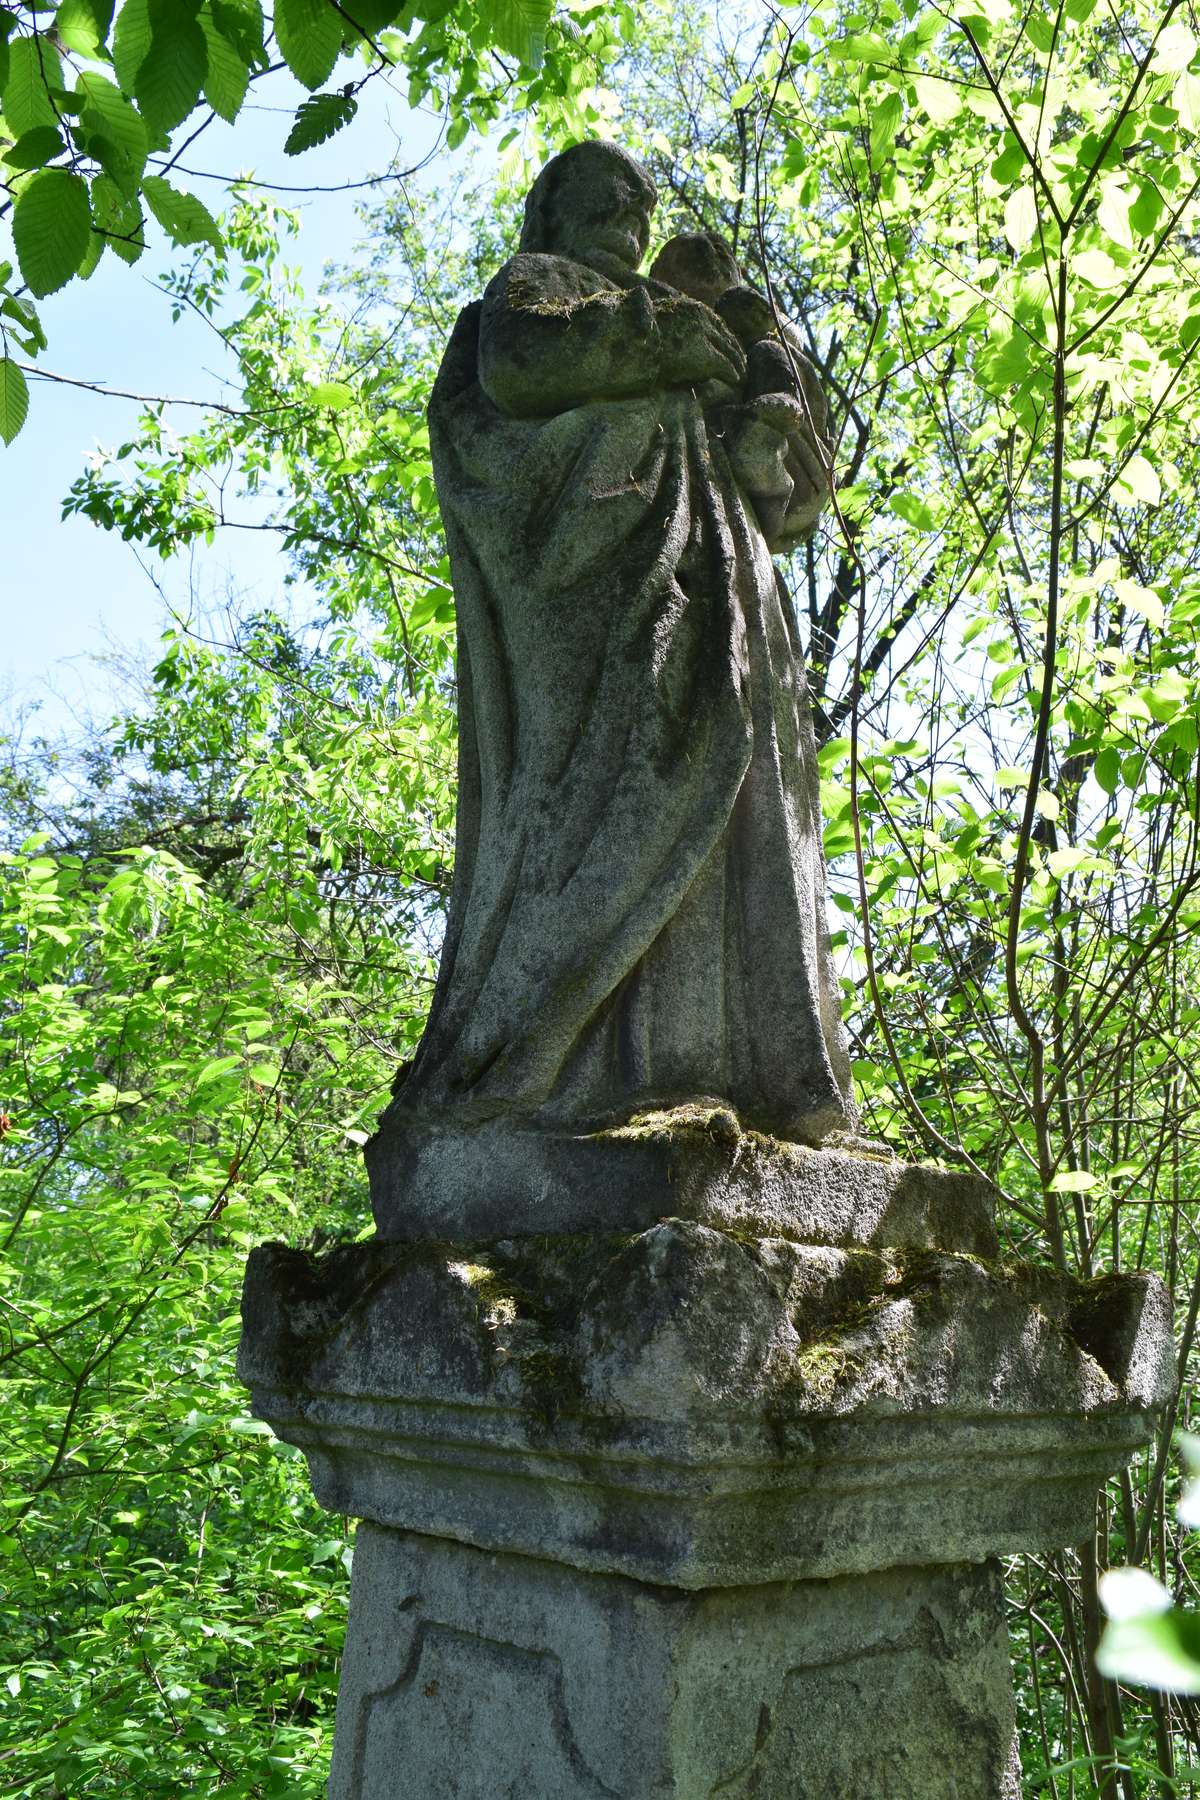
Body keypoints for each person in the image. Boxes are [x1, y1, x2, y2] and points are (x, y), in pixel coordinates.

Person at [380, 140, 855, 1147]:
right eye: (602, 206)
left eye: (638, 213)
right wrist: (656, 341)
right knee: (628, 796)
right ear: (550, 218)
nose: (627, 228)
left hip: (728, 600)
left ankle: (749, 1072)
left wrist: (758, 401)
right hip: (617, 614)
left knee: (747, 815)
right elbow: (519, 367)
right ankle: (601, 1075)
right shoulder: (535, 287)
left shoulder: (689, 321)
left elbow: (792, 486)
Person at [648, 229, 832, 546]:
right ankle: (756, 446)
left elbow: (788, 343)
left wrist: (750, 317)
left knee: (768, 352)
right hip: (716, 437)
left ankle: (767, 430)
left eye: (723, 250)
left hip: (790, 441)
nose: (716, 254)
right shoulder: (662, 313)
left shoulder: (753, 308)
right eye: (697, 249)